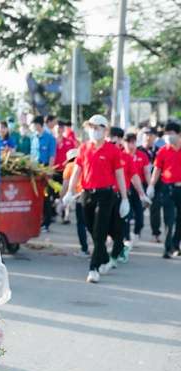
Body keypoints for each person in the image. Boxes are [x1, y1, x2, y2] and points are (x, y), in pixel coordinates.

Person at [63, 114, 130, 284]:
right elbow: (77, 171)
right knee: (91, 229)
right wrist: (70, 191)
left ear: (105, 130)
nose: (94, 131)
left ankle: (93, 268)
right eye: (91, 127)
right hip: (86, 193)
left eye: (97, 127)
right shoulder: (84, 148)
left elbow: (120, 175)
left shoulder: (113, 150)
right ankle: (105, 257)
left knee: (100, 231)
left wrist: (124, 198)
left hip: (106, 195)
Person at [107, 127, 149, 266]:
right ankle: (109, 249)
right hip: (104, 195)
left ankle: (118, 249)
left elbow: (135, 176)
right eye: (112, 138)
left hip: (121, 195)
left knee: (120, 226)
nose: (114, 141)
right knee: (103, 226)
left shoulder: (126, 158)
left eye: (117, 138)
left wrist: (142, 193)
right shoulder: (101, 154)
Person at [146, 121, 181, 258]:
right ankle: (167, 248)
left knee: (180, 220)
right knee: (169, 219)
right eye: (166, 133)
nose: (168, 136)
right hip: (168, 188)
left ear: (178, 134)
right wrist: (151, 185)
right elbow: (157, 169)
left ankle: (176, 244)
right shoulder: (163, 151)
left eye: (171, 133)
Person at [123, 132, 151, 244]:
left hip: (139, 188)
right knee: (126, 215)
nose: (130, 145)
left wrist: (150, 186)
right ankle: (126, 238)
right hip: (125, 188)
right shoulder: (120, 155)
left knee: (139, 216)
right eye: (128, 142)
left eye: (133, 142)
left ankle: (136, 233)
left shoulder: (142, 155)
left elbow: (147, 172)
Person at [30, 115, 57, 231]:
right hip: (35, 170)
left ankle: (47, 223)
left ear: (39, 125)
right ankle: (38, 221)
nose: (33, 127)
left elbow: (52, 156)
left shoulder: (50, 138)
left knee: (46, 197)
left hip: (45, 169)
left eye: (34, 124)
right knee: (36, 196)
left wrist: (49, 171)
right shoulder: (34, 137)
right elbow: (32, 154)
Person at [61, 148, 88, 256]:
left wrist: (61, 198)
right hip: (90, 193)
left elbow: (65, 186)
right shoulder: (85, 163)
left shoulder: (69, 167)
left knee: (81, 224)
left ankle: (84, 249)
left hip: (80, 197)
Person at [140, 127, 163, 242]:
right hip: (139, 184)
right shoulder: (138, 150)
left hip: (155, 184)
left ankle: (156, 233)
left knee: (155, 208)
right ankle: (134, 233)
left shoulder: (159, 151)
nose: (148, 137)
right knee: (138, 209)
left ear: (155, 137)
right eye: (145, 134)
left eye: (150, 134)